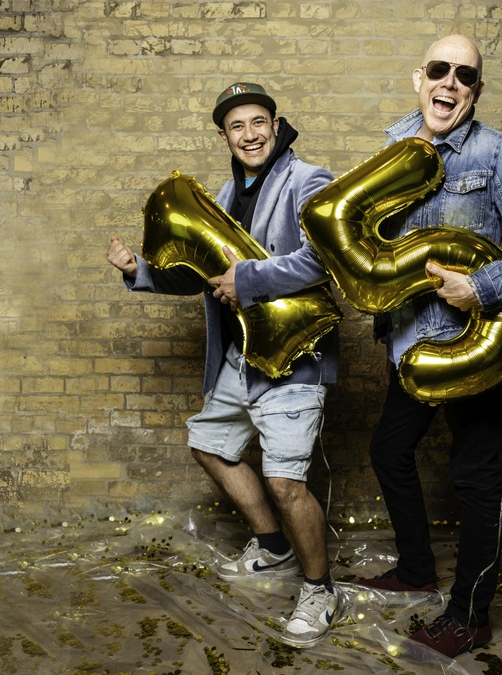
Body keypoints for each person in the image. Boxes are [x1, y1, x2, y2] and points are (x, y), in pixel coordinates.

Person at [352, 35, 502, 658]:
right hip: (409, 345)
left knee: (475, 479)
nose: (450, 83)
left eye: (466, 76)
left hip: (471, 346)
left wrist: (483, 287)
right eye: (440, 70)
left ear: (476, 90)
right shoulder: (397, 142)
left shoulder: (497, 152)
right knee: (389, 451)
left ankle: (471, 617)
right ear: (418, 77)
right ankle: (417, 569)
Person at [107, 82, 340, 649]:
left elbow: (323, 257)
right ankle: (274, 546)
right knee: (208, 445)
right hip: (239, 358)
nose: (250, 134)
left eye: (258, 122)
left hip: (291, 357)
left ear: (275, 123)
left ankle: (320, 590)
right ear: (224, 136)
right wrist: (138, 269)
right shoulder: (219, 193)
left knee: (287, 483)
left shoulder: (308, 181)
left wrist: (251, 279)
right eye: (237, 127)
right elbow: (197, 276)